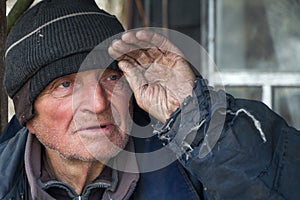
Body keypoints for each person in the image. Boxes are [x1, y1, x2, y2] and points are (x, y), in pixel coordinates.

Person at [1, 0, 299, 199]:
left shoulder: (191, 164)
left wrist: (197, 117)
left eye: (111, 77)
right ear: (28, 114)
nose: (98, 104)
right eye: (65, 85)